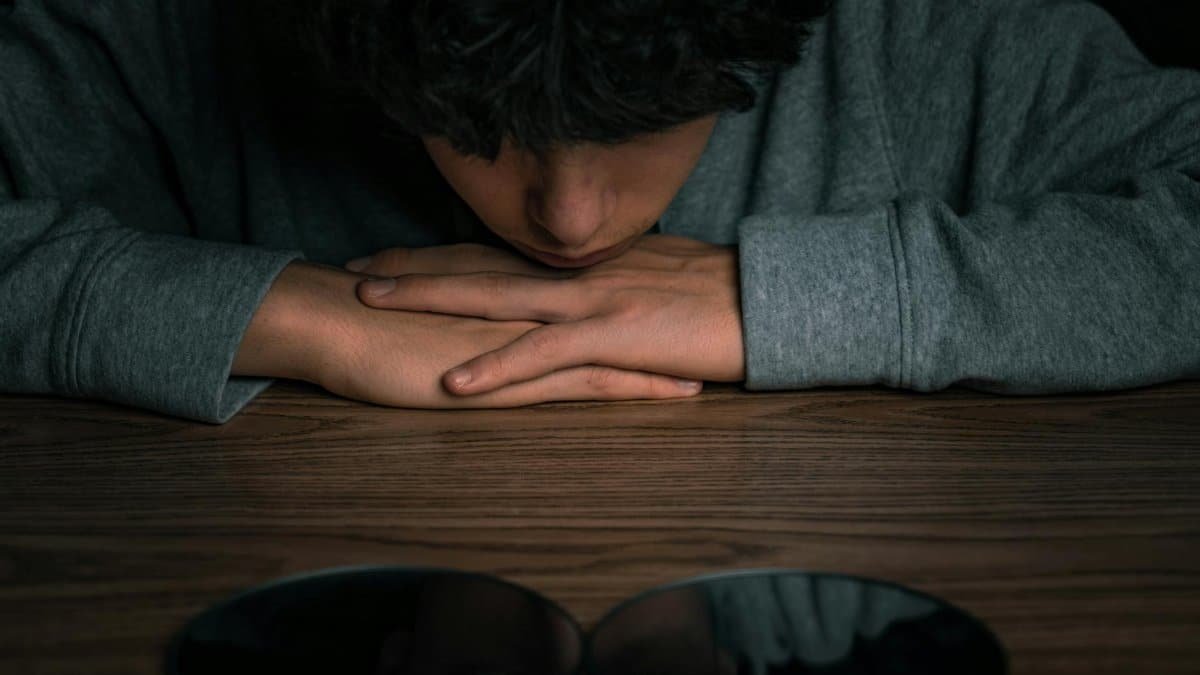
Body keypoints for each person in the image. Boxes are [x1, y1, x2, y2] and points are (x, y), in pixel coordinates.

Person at [1, 0, 1197, 423]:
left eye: (643, 118)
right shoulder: (161, 30)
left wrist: (781, 298)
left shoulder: (929, 33)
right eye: (477, 126)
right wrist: (294, 316)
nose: (570, 220)